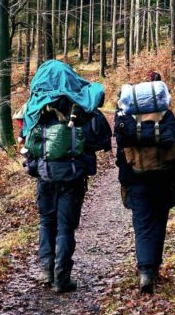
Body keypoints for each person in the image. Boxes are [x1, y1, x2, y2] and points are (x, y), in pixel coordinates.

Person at [19, 60, 112, 293]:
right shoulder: (81, 104)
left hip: (45, 175)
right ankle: (62, 277)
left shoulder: (36, 107)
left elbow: (25, 141)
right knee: (65, 227)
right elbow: (101, 139)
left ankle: (46, 269)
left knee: (46, 221)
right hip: (73, 177)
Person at [114, 71, 175, 294]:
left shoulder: (129, 119)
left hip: (137, 182)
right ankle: (153, 267)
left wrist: (125, 181)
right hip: (164, 181)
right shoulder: (168, 118)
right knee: (159, 223)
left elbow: (121, 157)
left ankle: (146, 271)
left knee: (143, 225)